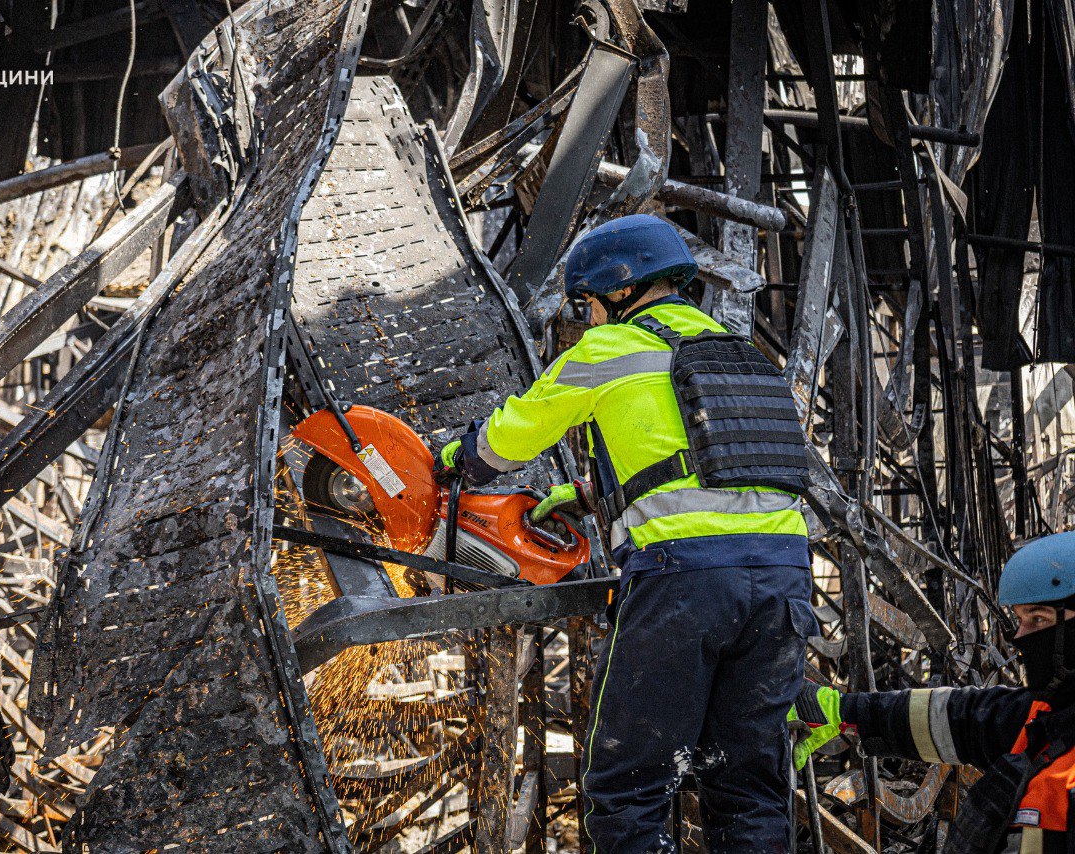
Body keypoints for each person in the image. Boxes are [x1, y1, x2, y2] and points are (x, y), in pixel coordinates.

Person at [436, 213, 815, 852]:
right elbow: (718, 461)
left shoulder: (607, 351)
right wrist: (590, 497)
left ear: (616, 291)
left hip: (685, 586)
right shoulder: (741, 353)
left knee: (629, 790)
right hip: (784, 582)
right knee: (746, 787)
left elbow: (507, 441)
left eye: (585, 307)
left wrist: (455, 458)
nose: (584, 321)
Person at [793, 531, 1075, 853]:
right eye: (1021, 620)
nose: (1019, 638)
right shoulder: (1042, 718)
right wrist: (844, 712)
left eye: (1038, 619)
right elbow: (956, 720)